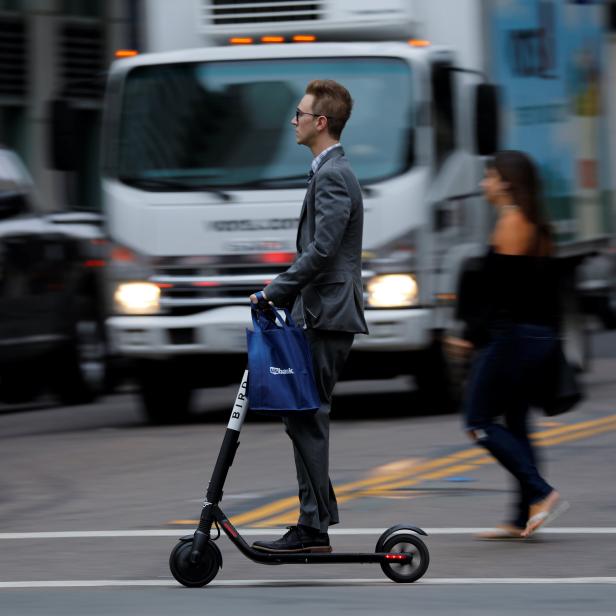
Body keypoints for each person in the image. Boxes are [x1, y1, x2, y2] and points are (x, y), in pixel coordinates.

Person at [248, 79, 368, 553]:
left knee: (306, 414)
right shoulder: (327, 171)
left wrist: (274, 291)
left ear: (321, 122)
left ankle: (314, 528)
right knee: (302, 414)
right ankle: (313, 525)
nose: (293, 120)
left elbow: (322, 250)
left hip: (327, 314)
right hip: (317, 311)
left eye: (299, 113)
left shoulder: (335, 174)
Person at [450, 150, 567, 539]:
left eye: (489, 177)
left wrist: (469, 336)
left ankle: (541, 492)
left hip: (514, 338)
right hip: (535, 336)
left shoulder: (512, 223)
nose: (484, 184)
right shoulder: (535, 223)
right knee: (516, 423)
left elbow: (499, 296)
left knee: (478, 420)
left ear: (506, 182)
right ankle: (521, 517)